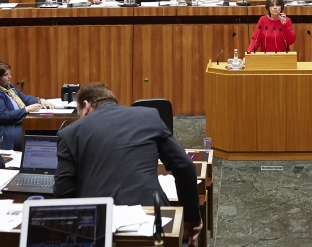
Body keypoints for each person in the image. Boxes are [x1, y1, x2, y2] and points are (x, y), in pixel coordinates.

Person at [53, 82, 202, 247]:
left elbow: (63, 194)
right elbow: (185, 166)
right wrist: (191, 218)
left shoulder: (70, 133)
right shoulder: (149, 116)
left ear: (86, 105)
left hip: (96, 226)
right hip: (152, 217)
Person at [0, 61, 53, 149]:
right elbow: (3, 116)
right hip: (9, 129)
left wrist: (40, 100)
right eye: (6, 75)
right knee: (40, 135)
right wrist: (25, 110)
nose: (10, 77)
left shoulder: (9, 87)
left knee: (47, 130)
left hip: (20, 122)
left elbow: (25, 98)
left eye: (10, 74)